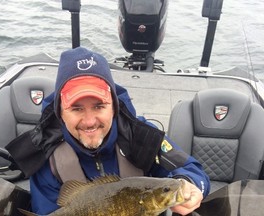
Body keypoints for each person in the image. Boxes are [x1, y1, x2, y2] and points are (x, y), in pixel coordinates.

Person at [28, 47, 210, 215]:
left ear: (114, 107)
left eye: (99, 106)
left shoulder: (142, 135)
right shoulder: (46, 155)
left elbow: (193, 170)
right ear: (60, 112)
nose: (90, 121)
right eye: (77, 109)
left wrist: (190, 184)